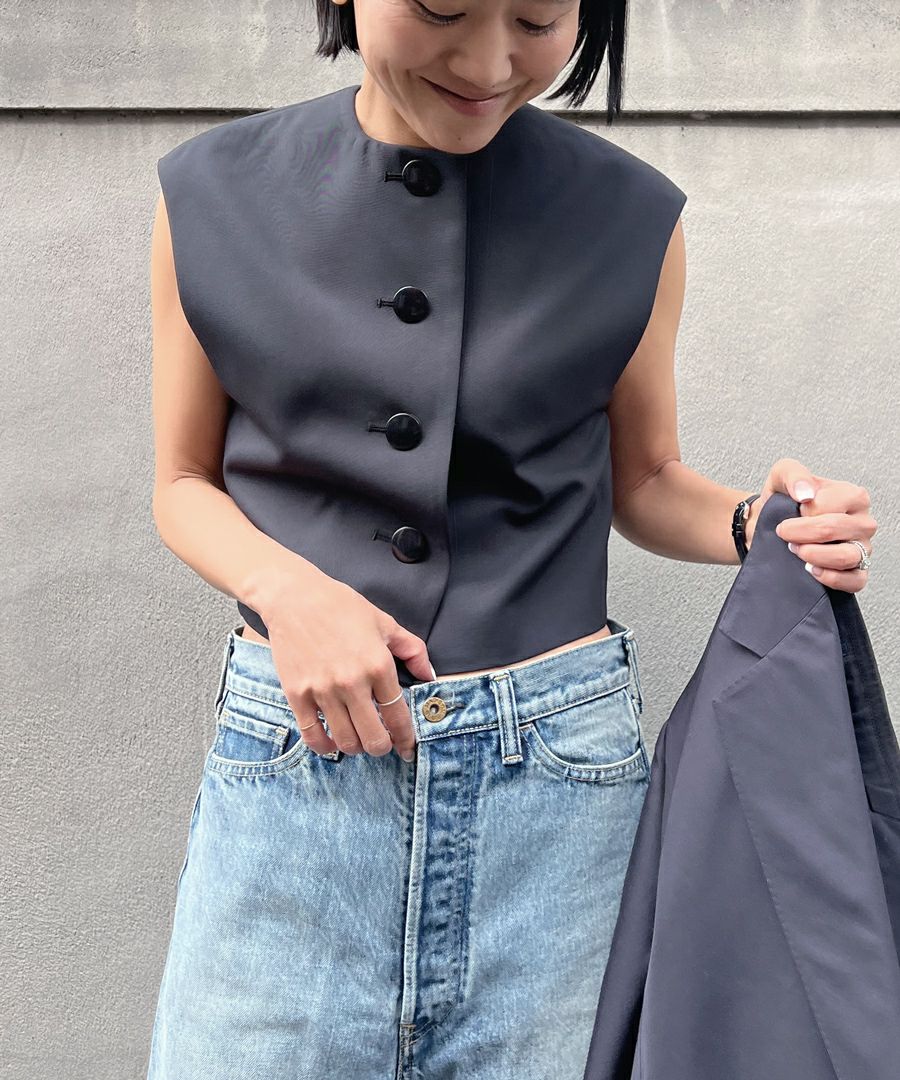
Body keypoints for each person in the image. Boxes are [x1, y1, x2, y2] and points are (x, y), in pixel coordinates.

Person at [145, 1, 877, 1077]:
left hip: (559, 810)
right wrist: (288, 593)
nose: (489, 62)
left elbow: (645, 478)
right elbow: (182, 482)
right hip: (297, 796)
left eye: (537, 18)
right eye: (443, 8)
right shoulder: (211, 193)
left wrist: (756, 523)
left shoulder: (630, 216)